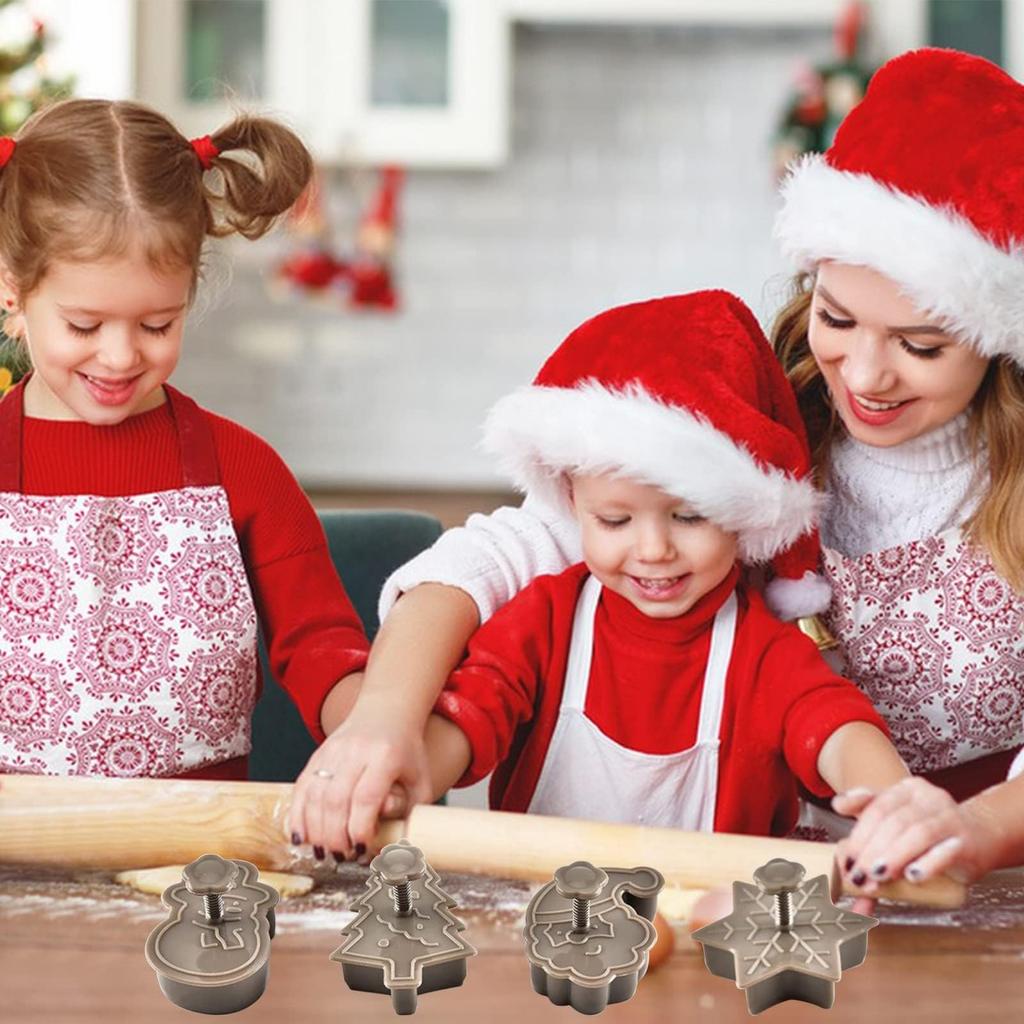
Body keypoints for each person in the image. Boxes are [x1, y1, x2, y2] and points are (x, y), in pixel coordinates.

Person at [290, 48, 1024, 892]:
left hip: (979, 890)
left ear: (997, 335)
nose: (862, 375)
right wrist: (383, 721)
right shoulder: (748, 430)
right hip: (758, 887)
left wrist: (966, 830)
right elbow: (493, 559)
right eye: (838, 318)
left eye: (920, 347)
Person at [404, 290, 908, 834]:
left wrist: (892, 805)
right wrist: (397, 779)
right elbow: (469, 719)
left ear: (741, 516)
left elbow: (835, 730)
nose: (652, 551)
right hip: (546, 909)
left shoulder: (762, 654)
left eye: (688, 519)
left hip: (709, 914)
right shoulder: (544, 622)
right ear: (574, 505)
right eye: (615, 522)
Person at [0, 99, 369, 826]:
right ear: (14, 291)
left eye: (156, 324)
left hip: (205, 862)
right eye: (83, 325)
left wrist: (370, 733)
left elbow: (321, 645)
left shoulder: (243, 468)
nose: (119, 355)